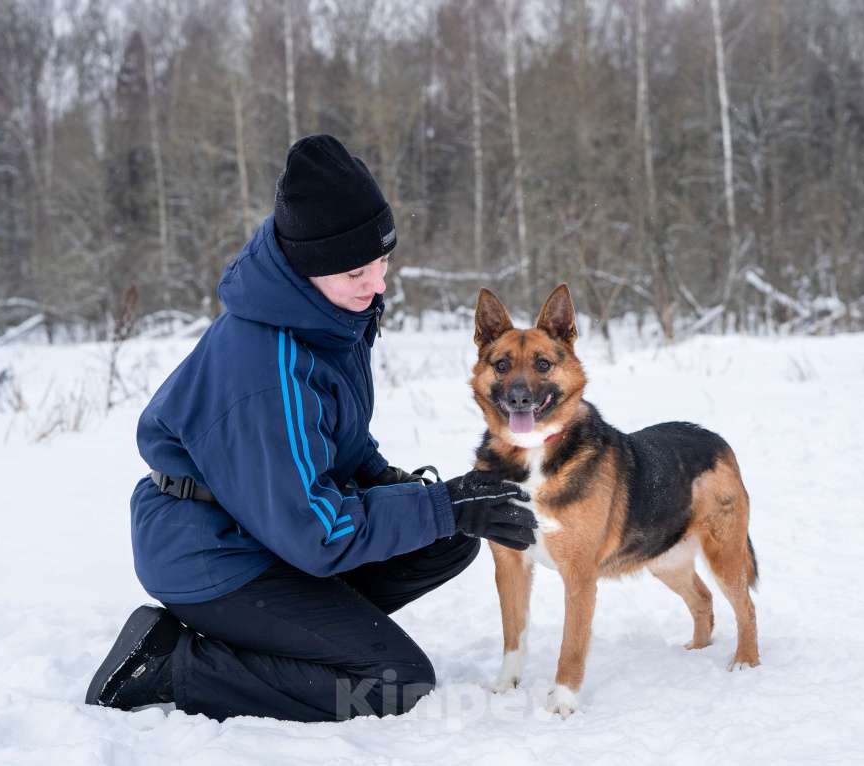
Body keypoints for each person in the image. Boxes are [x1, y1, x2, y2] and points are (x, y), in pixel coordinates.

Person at [84, 134, 537, 723]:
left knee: (445, 539)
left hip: (263, 531)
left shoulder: (326, 314)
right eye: (356, 270)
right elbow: (316, 533)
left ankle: (298, 634)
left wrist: (398, 486)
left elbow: (336, 437)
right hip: (214, 554)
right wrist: (439, 505)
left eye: (382, 262)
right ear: (306, 265)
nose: (377, 284)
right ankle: (174, 665)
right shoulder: (269, 370)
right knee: (393, 683)